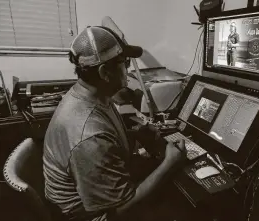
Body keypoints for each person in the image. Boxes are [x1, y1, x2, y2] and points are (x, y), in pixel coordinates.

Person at [43, 26, 186, 221]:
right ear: (105, 72)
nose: (128, 69)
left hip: (94, 197)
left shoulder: (92, 96)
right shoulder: (89, 135)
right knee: (180, 207)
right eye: (124, 63)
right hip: (93, 216)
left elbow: (105, 140)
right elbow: (124, 210)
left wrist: (134, 135)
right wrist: (170, 163)